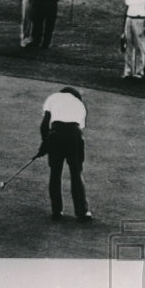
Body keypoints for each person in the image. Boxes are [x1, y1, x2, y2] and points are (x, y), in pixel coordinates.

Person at [41, 86, 92, 221]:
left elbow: (44, 124)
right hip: (75, 136)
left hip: (56, 134)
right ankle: (82, 212)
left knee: (55, 172)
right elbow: (78, 129)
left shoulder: (52, 97)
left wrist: (45, 144)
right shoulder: (80, 105)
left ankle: (57, 211)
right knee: (76, 173)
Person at [122, 0, 145, 79]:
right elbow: (126, 10)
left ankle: (139, 72)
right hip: (129, 20)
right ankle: (128, 71)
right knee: (128, 47)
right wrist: (123, 28)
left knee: (140, 47)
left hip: (140, 20)